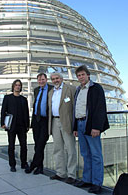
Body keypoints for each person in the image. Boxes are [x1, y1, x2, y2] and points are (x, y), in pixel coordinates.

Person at [73, 65, 109, 194]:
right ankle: (87, 179)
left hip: (91, 125)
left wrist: (97, 127)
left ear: (88, 75)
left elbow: (100, 108)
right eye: (78, 75)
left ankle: (97, 183)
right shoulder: (78, 90)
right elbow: (76, 110)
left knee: (96, 155)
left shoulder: (96, 88)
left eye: (82, 74)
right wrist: (75, 127)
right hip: (80, 124)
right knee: (85, 154)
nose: (80, 77)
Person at [48, 73, 77, 184]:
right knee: (58, 148)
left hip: (67, 122)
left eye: (57, 78)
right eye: (53, 79)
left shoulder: (71, 89)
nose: (55, 80)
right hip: (54, 122)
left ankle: (71, 174)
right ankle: (61, 173)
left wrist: (75, 125)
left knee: (70, 149)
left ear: (61, 79)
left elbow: (75, 106)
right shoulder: (51, 92)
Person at [25, 73, 53, 175]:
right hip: (36, 120)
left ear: (46, 79)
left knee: (41, 144)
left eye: (42, 79)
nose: (41, 81)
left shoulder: (52, 89)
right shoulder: (36, 90)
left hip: (46, 121)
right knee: (37, 144)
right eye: (39, 80)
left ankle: (33, 164)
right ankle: (40, 167)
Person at [1, 79, 30, 172]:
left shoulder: (24, 99)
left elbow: (26, 113)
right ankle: (12, 165)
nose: (18, 87)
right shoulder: (7, 98)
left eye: (19, 85)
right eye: (16, 85)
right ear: (13, 86)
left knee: (24, 146)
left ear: (21, 87)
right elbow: (3, 111)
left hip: (22, 127)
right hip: (11, 126)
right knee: (11, 146)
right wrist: (2, 123)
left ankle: (23, 163)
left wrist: (28, 125)